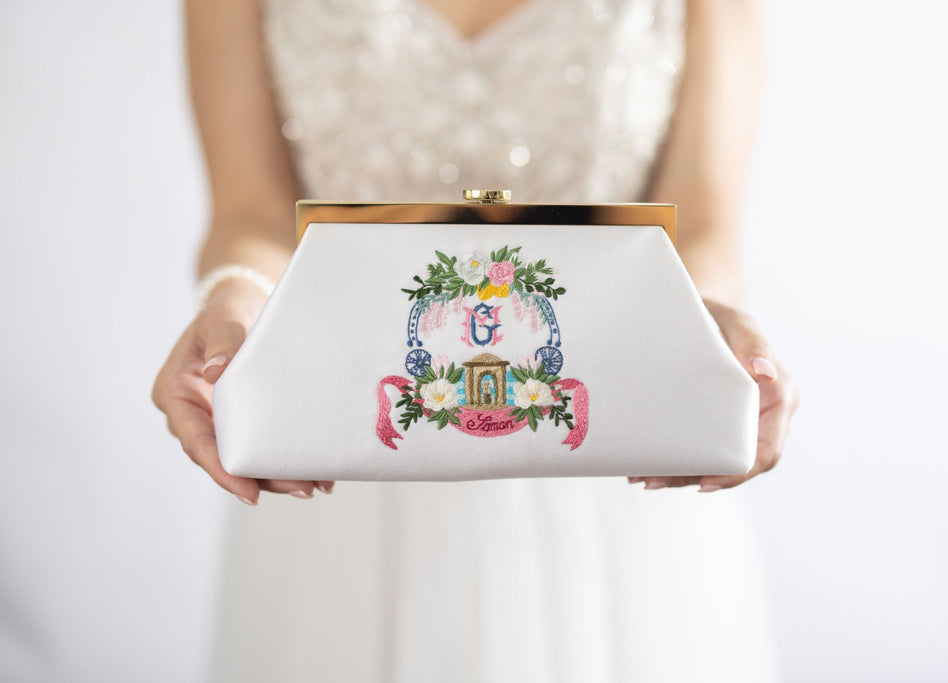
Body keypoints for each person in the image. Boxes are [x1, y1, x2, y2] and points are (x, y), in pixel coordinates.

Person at [151, 0, 798, 680]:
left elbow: (702, 216)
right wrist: (234, 298)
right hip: (343, 458)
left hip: (616, 453)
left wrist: (703, 322)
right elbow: (251, 210)